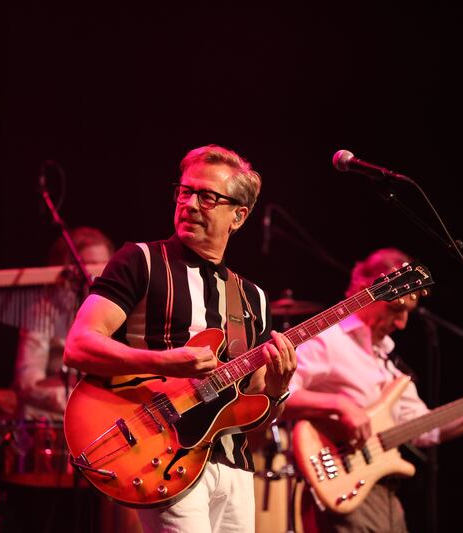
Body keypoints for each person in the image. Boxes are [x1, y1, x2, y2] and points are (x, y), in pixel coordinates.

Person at [63, 144, 297, 532]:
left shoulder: (252, 297)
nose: (189, 204)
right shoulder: (140, 260)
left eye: (207, 197)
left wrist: (277, 389)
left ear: (238, 216)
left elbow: (256, 415)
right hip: (163, 456)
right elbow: (79, 345)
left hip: (234, 467)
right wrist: (164, 361)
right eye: (185, 191)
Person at [282, 248, 463, 533]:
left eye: (407, 313)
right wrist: (338, 404)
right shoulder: (329, 340)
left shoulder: (389, 363)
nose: (402, 323)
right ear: (368, 289)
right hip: (339, 484)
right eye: (396, 309)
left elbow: (427, 429)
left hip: (385, 495)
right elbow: (276, 397)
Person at [13, 226, 115, 421]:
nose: (99, 275)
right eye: (91, 266)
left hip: (102, 422)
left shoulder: (116, 311)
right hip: (53, 425)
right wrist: (84, 402)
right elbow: (27, 382)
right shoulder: (44, 313)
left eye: (105, 266)